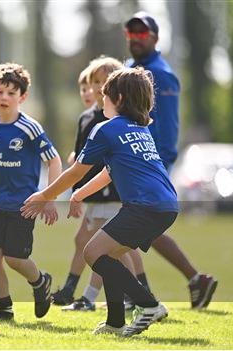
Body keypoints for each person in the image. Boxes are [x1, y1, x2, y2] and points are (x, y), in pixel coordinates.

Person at [23, 67, 177, 336]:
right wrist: (79, 194)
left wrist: (44, 195)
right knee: (108, 255)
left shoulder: (105, 129)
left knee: (92, 253)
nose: (100, 99)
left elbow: (76, 171)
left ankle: (148, 304)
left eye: (104, 94)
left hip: (144, 206)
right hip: (165, 204)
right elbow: (108, 173)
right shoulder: (139, 129)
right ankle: (116, 323)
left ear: (117, 98)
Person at [124, 12, 217, 309]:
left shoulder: (160, 75)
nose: (135, 38)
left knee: (132, 224)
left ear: (154, 37)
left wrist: (160, 162)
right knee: (141, 226)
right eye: (131, 33)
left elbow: (168, 125)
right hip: (132, 159)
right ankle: (192, 280)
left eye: (142, 33)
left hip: (150, 162)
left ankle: (138, 292)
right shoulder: (129, 68)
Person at [53, 57, 137, 311]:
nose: (98, 88)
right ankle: (131, 296)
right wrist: (77, 193)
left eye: (104, 82)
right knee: (94, 244)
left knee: (104, 248)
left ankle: (96, 297)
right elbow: (80, 160)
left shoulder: (118, 120)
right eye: (95, 83)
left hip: (112, 193)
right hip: (93, 194)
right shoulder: (87, 119)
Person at [0, 62, 62, 322]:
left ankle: (40, 281)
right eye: (0, 92)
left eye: (11, 93)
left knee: (15, 258)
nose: (4, 97)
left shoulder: (30, 128)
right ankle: (5, 310)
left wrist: (49, 196)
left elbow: (54, 160)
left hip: (23, 205)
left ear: (22, 97)